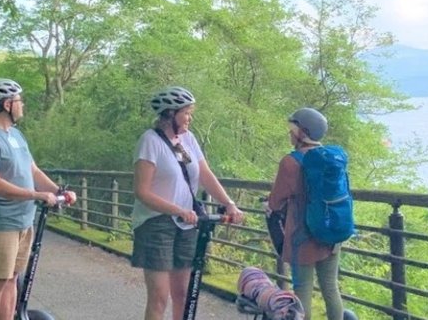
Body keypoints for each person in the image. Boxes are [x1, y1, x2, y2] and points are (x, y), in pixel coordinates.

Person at [131, 86, 245, 320]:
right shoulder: (150, 141)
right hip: (156, 224)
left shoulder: (188, 140)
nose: (190, 118)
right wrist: (178, 210)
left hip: (187, 225)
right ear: (170, 113)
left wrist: (229, 203)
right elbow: (142, 191)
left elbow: (205, 174)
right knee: (159, 297)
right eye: (186, 113)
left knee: (183, 293)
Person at [0, 78, 75, 320]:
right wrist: (37, 195)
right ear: (7, 104)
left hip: (23, 220)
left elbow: (33, 171)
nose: (22, 105)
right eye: (19, 101)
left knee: (12, 279)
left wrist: (58, 190)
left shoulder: (16, 135)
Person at [268, 108, 345, 320]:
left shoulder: (291, 162)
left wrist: (272, 202)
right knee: (330, 288)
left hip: (302, 236)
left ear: (302, 132)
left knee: (302, 291)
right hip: (331, 231)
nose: (290, 134)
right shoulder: (331, 158)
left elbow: (275, 202)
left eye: (292, 130)